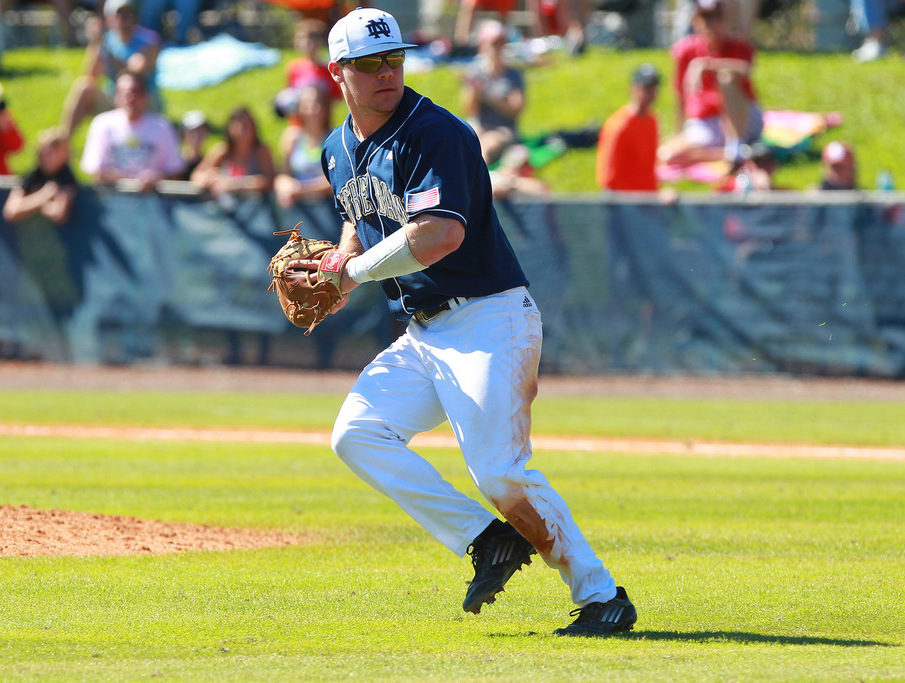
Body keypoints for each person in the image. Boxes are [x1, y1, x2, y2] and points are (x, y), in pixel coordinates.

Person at [299, 7, 637, 636]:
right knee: (358, 434)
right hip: (424, 332)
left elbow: (439, 235)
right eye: (368, 64)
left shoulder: (436, 132)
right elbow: (358, 214)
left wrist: (353, 274)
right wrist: (341, 259)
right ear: (336, 73)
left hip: (490, 319)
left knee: (500, 469)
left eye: (394, 59)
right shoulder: (335, 149)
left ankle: (602, 596)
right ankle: (488, 540)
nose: (385, 72)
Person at [658, 0, 763, 169]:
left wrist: (707, 66)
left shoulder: (739, 46)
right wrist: (678, 130)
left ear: (725, 20)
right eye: (705, 18)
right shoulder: (686, 49)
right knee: (666, 155)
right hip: (705, 124)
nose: (710, 24)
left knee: (725, 78)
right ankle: (731, 154)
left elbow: (746, 69)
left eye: (715, 18)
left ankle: (735, 145)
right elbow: (680, 94)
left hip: (741, 118)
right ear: (696, 21)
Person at [60, 0, 163, 139]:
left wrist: (105, 45)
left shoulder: (149, 40)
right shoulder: (107, 40)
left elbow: (133, 74)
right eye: (119, 14)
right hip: (114, 99)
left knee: (130, 93)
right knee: (83, 87)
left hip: (144, 103)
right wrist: (95, 43)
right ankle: (63, 142)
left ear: (135, 16)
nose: (124, 18)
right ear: (109, 19)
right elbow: (91, 76)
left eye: (128, 13)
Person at [79, 70, 184, 191]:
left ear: (145, 96)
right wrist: (130, 180)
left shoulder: (162, 126)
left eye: (135, 92)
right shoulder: (102, 124)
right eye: (124, 93)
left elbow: (176, 171)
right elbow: (95, 170)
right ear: (116, 97)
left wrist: (157, 179)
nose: (130, 99)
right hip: (113, 197)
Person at [461, 19, 526, 166]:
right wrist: (474, 91)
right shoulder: (475, 71)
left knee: (486, 145)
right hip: (478, 126)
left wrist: (487, 96)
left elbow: (515, 109)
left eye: (501, 43)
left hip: (503, 129)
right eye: (493, 43)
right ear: (483, 45)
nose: (498, 48)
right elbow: (470, 110)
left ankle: (479, 184)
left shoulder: (513, 74)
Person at [596, 63, 661, 192]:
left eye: (654, 89)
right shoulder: (619, 125)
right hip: (625, 203)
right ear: (634, 88)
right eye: (646, 88)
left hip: (647, 200)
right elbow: (609, 180)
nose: (651, 94)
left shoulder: (653, 120)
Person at [190, 106, 275, 198]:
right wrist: (209, 179)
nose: (243, 129)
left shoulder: (261, 151)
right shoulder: (222, 151)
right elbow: (197, 175)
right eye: (239, 124)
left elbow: (269, 180)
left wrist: (235, 184)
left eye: (247, 125)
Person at [2, 127, 78, 225]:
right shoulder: (34, 175)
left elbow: (58, 213)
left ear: (64, 154)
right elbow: (11, 210)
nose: (47, 158)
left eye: (52, 153)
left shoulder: (66, 177)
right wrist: (43, 195)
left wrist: (28, 203)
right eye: (44, 153)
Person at [274, 83, 333, 208]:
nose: (312, 109)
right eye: (307, 104)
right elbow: (283, 173)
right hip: (300, 209)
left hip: (329, 208)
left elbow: (335, 180)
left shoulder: (334, 138)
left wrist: (301, 190)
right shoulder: (292, 137)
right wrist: (283, 184)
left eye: (317, 103)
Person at [177, 109, 209, 181]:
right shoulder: (175, 160)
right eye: (192, 130)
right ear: (183, 133)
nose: (197, 134)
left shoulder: (210, 161)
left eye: (201, 129)